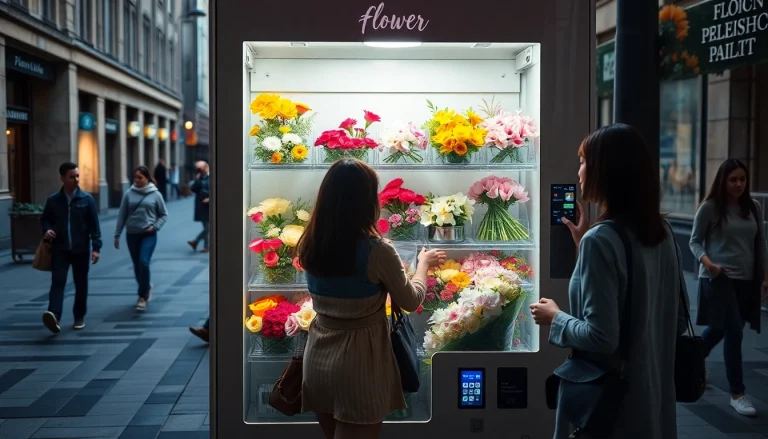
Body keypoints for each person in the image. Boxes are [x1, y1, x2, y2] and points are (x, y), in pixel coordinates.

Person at [530, 124, 687, 439]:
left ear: (606, 170)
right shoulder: (663, 232)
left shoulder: (601, 240)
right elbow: (678, 318)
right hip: (654, 395)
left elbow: (602, 338)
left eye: (584, 161)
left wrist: (555, 317)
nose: (578, 172)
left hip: (615, 404)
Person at [297, 159, 445, 439]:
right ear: (366, 201)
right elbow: (411, 301)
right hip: (360, 361)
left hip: (318, 354)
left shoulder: (310, 242)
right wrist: (423, 264)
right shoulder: (378, 250)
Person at [689, 158, 768, 417]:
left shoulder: (754, 207)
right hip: (718, 278)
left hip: (747, 279)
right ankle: (738, 394)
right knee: (734, 331)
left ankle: (690, 358)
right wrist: (709, 264)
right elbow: (694, 242)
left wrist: (765, 276)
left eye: (742, 179)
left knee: (721, 328)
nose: (738, 184)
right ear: (722, 180)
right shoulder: (710, 208)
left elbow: (760, 243)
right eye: (733, 179)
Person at [40, 162, 102, 333]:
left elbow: (94, 226)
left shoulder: (86, 199)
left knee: (81, 284)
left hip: (81, 250)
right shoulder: (53, 200)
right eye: (71, 176)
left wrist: (96, 248)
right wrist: (48, 230)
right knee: (57, 282)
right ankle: (54, 316)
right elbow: (45, 219)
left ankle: (79, 316)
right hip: (60, 249)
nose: (76, 179)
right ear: (62, 178)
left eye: (77, 176)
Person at [114, 166, 169, 311]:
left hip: (148, 234)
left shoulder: (155, 194)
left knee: (143, 262)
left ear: (147, 178)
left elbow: (164, 214)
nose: (137, 180)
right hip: (131, 234)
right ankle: (146, 286)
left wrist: (155, 227)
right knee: (137, 265)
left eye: (140, 178)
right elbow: (122, 214)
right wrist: (117, 234)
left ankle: (142, 296)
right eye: (135, 177)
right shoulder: (129, 193)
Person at [188, 160, 210, 252]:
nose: (198, 170)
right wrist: (197, 179)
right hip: (202, 206)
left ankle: (196, 241)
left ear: (205, 167)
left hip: (211, 205)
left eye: (199, 168)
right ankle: (206, 246)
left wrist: (210, 198)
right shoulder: (200, 178)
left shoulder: (213, 176)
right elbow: (193, 189)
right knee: (206, 227)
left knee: (208, 227)